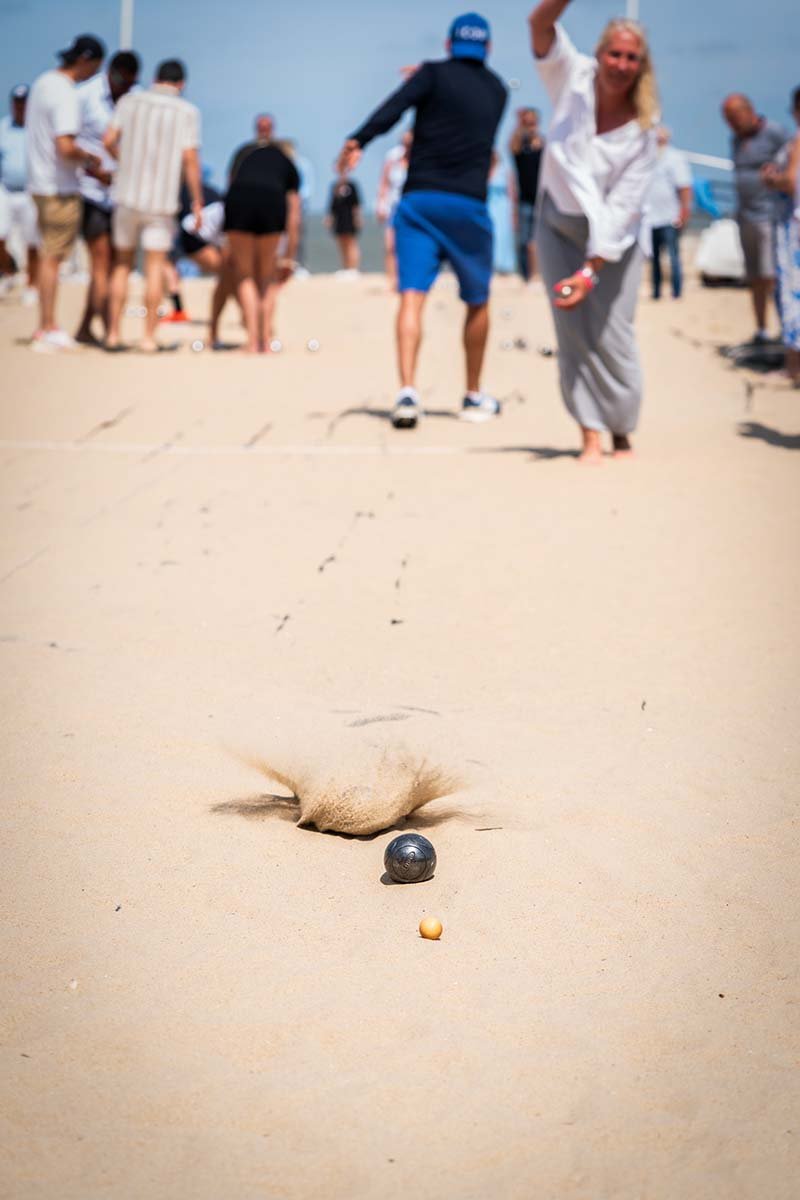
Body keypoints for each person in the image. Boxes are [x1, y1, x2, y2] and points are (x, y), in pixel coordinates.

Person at [338, 13, 508, 429]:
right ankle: (472, 395)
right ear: (487, 48)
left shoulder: (431, 74)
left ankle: (408, 392)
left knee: (412, 296)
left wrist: (359, 139)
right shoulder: (498, 90)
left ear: (449, 44)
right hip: (467, 205)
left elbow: (394, 109)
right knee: (478, 300)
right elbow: (466, 106)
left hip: (420, 201)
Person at [530, 0, 658, 464]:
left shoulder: (643, 128)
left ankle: (621, 429)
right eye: (615, 54)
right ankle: (589, 431)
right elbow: (540, 23)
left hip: (615, 241)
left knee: (613, 332)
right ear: (599, 54)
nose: (621, 65)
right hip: (558, 225)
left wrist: (591, 270)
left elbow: (624, 207)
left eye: (631, 58)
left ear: (642, 66)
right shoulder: (571, 77)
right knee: (571, 330)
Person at [103, 59, 203, 353]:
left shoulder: (130, 102)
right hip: (161, 201)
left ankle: (113, 334)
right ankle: (148, 337)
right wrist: (197, 201)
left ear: (155, 78)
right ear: (181, 83)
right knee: (155, 267)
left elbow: (108, 140)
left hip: (126, 195)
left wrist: (124, 162)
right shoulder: (187, 112)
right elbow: (190, 159)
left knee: (121, 265)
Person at [26, 34, 105, 352]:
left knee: (48, 254)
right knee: (53, 257)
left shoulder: (42, 83)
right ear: (85, 60)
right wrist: (92, 159)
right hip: (59, 186)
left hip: (38, 182)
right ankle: (47, 327)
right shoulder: (66, 93)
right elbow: (66, 145)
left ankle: (46, 325)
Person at [74, 50, 140, 345]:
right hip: (91, 191)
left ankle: (88, 327)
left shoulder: (135, 99)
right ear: (109, 73)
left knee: (115, 266)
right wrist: (93, 169)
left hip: (121, 195)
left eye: (129, 83)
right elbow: (67, 140)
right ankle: (109, 329)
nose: (123, 87)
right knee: (102, 264)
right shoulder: (85, 96)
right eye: (119, 80)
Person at [224, 115, 300, 353]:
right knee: (266, 277)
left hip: (240, 201)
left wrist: (226, 241)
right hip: (271, 203)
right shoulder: (285, 158)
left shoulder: (243, 153)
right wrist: (289, 256)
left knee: (245, 275)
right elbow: (294, 213)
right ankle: (265, 340)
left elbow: (230, 186)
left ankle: (251, 341)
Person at [722, 93, 787, 345]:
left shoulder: (775, 133)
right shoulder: (736, 139)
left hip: (769, 215)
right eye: (727, 120)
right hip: (745, 214)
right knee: (755, 276)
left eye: (734, 117)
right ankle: (761, 330)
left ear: (749, 111)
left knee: (773, 275)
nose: (732, 124)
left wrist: (777, 176)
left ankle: (787, 330)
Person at [763, 87, 800, 385]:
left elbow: (790, 182)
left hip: (794, 227)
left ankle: (793, 366)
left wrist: (771, 178)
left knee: (792, 293)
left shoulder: (797, 140)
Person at [0, 85, 39, 301]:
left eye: (24, 103)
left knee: (32, 241)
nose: (20, 107)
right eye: (17, 103)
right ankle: (8, 272)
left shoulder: (38, 128)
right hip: (5, 190)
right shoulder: (3, 128)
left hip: (31, 191)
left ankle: (32, 285)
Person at [648, 126, 692, 300]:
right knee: (654, 258)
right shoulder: (647, 157)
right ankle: (656, 292)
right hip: (650, 218)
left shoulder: (675, 158)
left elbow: (685, 187)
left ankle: (676, 291)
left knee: (673, 256)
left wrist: (683, 213)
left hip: (670, 217)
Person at [509, 107, 544, 280]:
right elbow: (513, 146)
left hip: (541, 199)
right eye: (527, 122)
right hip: (524, 199)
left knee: (538, 240)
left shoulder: (543, 144)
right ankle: (525, 275)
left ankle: (538, 273)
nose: (530, 126)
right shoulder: (518, 144)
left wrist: (538, 141)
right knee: (523, 240)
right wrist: (520, 126)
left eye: (532, 122)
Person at [376, 131, 412, 289]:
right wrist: (380, 205)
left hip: (413, 206)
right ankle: (393, 281)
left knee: (410, 245)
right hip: (394, 206)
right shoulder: (393, 157)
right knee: (390, 244)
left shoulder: (422, 156)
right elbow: (384, 183)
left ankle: (408, 279)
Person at [326, 168, 362, 274]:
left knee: (351, 242)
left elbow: (357, 204)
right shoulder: (334, 187)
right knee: (341, 243)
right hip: (339, 218)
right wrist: (329, 218)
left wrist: (358, 218)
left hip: (349, 218)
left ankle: (354, 268)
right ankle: (346, 267)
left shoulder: (352, 186)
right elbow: (332, 205)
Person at [487, 152, 516, 274]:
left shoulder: (505, 169)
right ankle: (493, 263)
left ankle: (504, 264)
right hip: (491, 204)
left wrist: (514, 210)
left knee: (503, 235)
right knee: (492, 234)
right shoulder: (487, 170)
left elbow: (512, 191)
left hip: (503, 206)